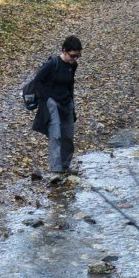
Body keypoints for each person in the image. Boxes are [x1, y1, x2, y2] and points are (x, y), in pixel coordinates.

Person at [31, 35, 82, 183]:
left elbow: (70, 83)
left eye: (78, 56)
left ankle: (65, 166)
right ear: (64, 51)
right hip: (52, 102)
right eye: (73, 56)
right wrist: (46, 99)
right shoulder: (52, 64)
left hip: (67, 102)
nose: (75, 59)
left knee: (68, 135)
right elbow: (37, 81)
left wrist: (72, 104)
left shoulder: (73, 65)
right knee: (55, 135)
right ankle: (56, 171)